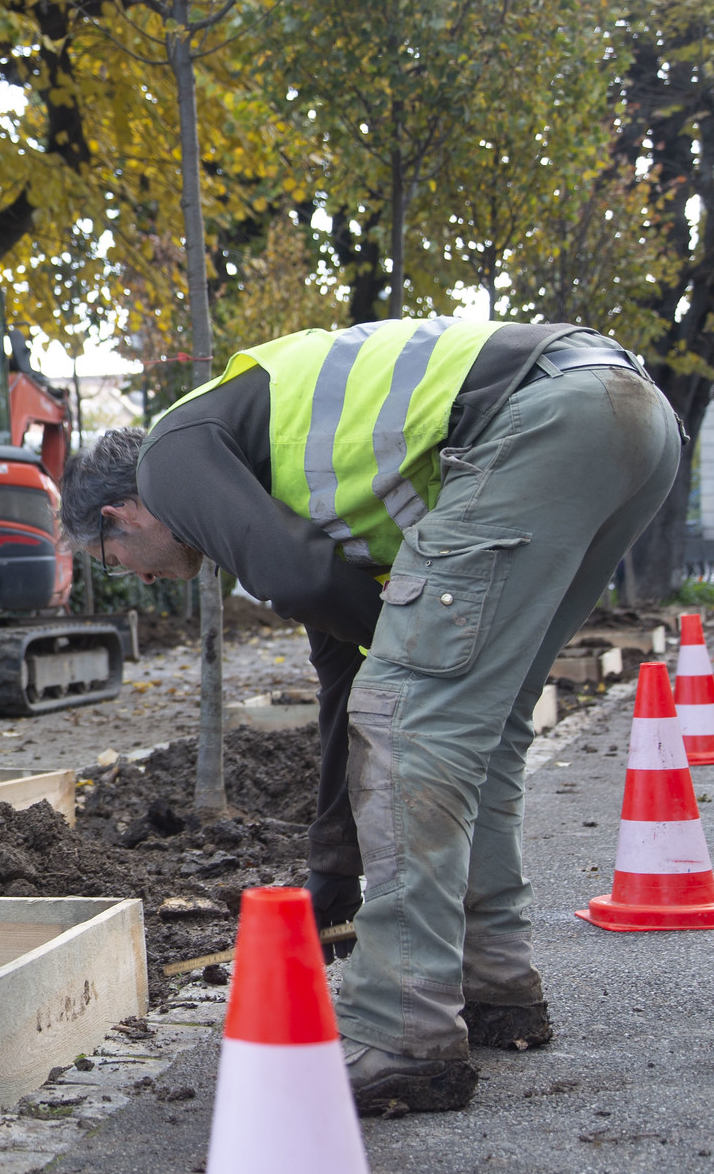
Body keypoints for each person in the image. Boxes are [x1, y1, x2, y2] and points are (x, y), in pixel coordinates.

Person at [60, 320, 678, 1113]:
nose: (140, 582)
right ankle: (494, 983)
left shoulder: (170, 459)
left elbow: (301, 580)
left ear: (122, 515)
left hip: (543, 421)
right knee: (473, 725)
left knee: (415, 717)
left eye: (116, 562)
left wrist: (409, 666)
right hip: (626, 415)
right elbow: (338, 673)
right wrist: (331, 864)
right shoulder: (292, 476)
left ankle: (401, 1028)